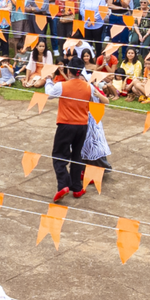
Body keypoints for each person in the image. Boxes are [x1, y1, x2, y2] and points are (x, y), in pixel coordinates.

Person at [46, 60, 93, 203]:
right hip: (82, 126)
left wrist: (48, 80)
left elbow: (48, 94)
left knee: (59, 154)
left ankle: (63, 184)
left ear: (68, 71)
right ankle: (77, 188)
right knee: (77, 155)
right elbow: (95, 99)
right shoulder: (88, 86)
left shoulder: (61, 86)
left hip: (66, 125)